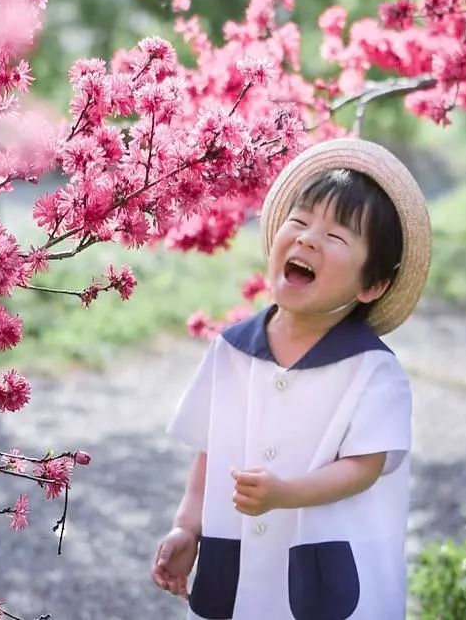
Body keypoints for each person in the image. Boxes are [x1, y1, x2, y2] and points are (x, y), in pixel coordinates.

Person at [152, 138, 431, 620]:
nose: (306, 239)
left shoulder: (372, 370)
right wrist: (187, 525)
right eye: (299, 222)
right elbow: (210, 449)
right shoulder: (232, 349)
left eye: (336, 237)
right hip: (236, 563)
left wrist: (286, 495)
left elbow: (364, 465)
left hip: (330, 580)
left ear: (372, 285)